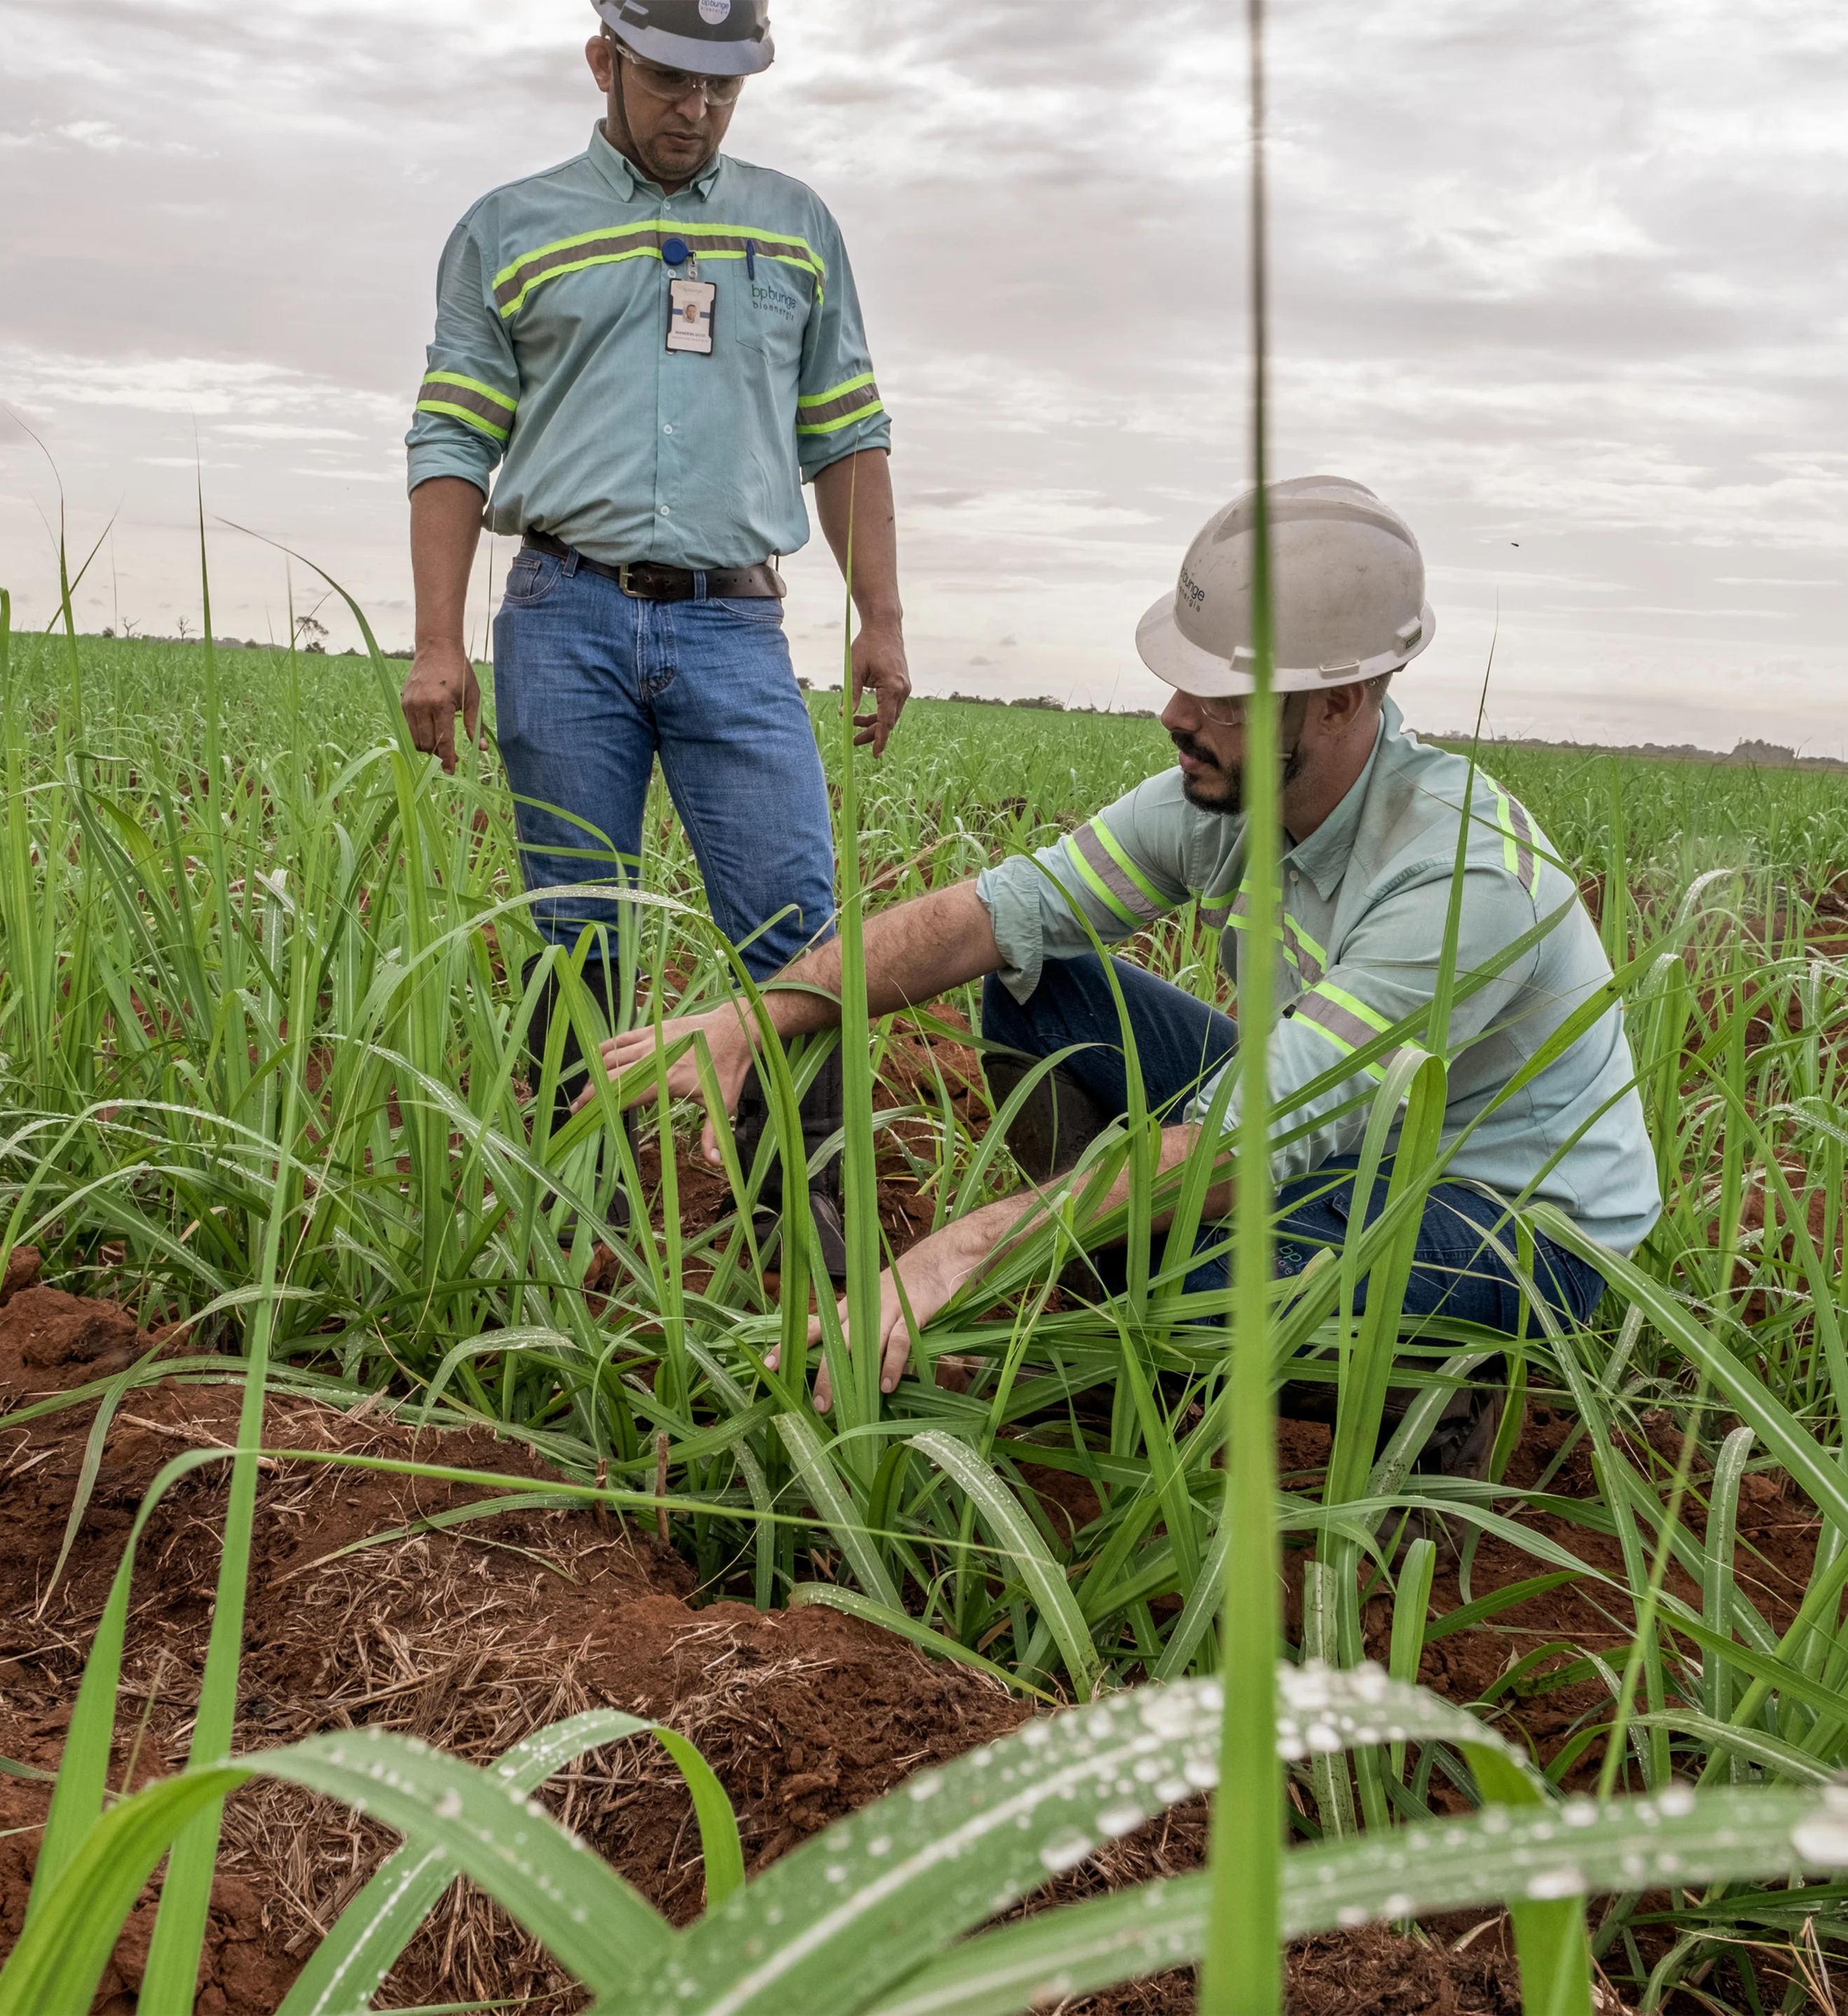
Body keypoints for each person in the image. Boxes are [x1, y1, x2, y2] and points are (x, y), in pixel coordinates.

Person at [594, 476, 1662, 1472]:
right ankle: (1121, 1297)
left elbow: (1243, 1142)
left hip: (1509, 1211)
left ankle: (1432, 1388)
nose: (1177, 718)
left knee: (1200, 1291)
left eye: (1227, 695)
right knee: (1035, 979)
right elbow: (985, 919)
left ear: (1343, 702)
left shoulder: (1460, 875)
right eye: (1186, 681)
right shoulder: (1225, 792)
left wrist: (951, 1256)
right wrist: (757, 1014)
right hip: (1329, 1131)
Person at [400, 0, 909, 1265]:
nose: (696, 109)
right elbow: (455, 430)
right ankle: (585, 1237)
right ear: (606, 63)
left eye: (723, 88)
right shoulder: (508, 230)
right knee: (579, 930)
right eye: (672, 79)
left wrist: (882, 619)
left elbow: (845, 429)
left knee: (799, 930)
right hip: (562, 616)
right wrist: (435, 638)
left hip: (736, 627)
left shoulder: (795, 229)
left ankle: (813, 1236)